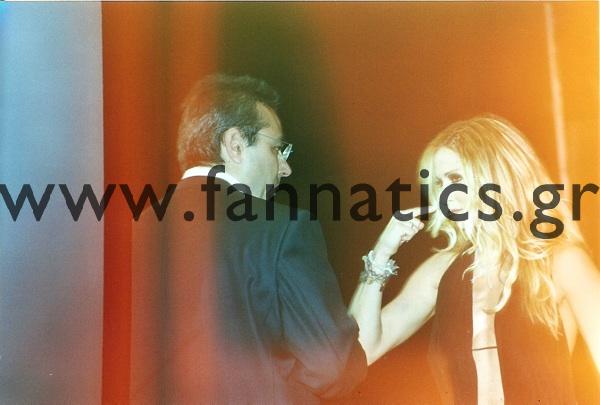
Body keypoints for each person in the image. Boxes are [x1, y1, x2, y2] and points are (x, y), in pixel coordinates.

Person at [130, 74, 366, 403]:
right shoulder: (283, 227)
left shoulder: (133, 230)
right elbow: (331, 368)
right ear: (236, 145)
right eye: (276, 149)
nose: (285, 169)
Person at [349, 115, 600, 404]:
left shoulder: (561, 262)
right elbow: (359, 351)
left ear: (496, 175)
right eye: (440, 183)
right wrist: (382, 252)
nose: (446, 195)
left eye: (456, 178)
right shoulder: (441, 271)